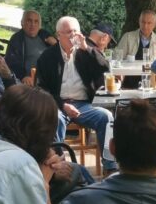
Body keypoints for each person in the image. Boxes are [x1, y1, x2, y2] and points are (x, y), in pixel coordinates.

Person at [35, 16, 118, 174]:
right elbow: (40, 89)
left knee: (106, 117)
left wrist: (87, 48)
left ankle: (110, 168)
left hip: (83, 105)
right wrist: (62, 105)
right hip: (58, 105)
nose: (73, 36)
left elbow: (105, 69)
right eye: (68, 32)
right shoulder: (47, 57)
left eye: (76, 32)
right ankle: (60, 168)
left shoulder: (85, 52)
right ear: (58, 35)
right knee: (55, 119)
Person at [4, 10, 55, 86]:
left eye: (36, 21)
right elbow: (12, 62)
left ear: (39, 25)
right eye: (29, 21)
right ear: (22, 23)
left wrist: (56, 44)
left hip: (50, 79)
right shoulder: (17, 39)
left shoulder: (44, 35)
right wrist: (23, 76)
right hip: (31, 82)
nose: (33, 24)